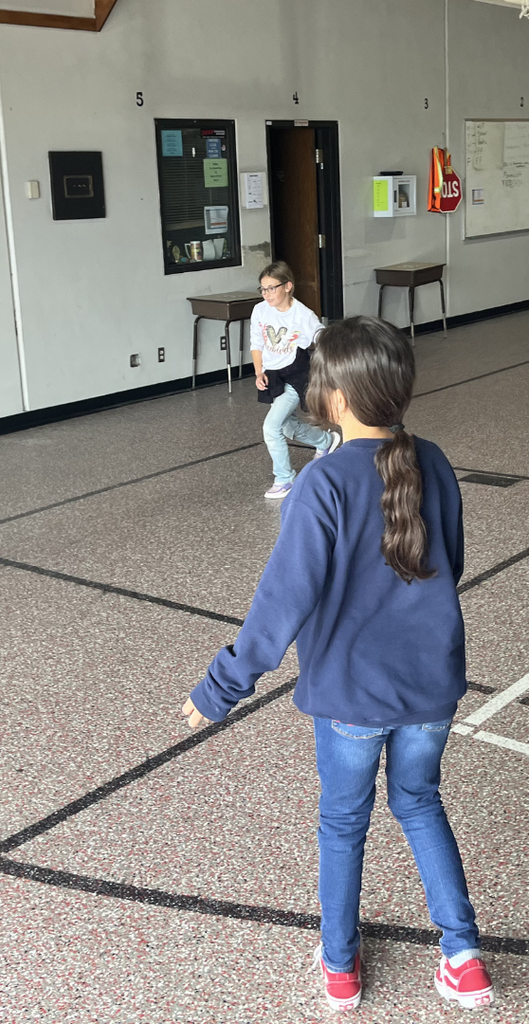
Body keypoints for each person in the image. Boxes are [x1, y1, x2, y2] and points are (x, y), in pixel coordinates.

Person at [183, 317, 493, 1012]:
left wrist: (220, 686)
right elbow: (454, 563)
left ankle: (340, 968)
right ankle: (464, 957)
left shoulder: (321, 484)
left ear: (337, 399)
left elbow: (280, 604)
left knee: (343, 822)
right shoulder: (435, 461)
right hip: (431, 690)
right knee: (419, 803)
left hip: (352, 696)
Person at [251, 261, 340, 499]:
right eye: (263, 289)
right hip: (273, 376)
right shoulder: (260, 311)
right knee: (286, 426)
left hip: (296, 376)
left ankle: (284, 479)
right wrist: (259, 372)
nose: (266, 294)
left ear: (287, 286)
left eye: (272, 288)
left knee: (271, 427)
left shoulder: (302, 315)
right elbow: (256, 343)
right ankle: (325, 440)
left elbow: (322, 337)